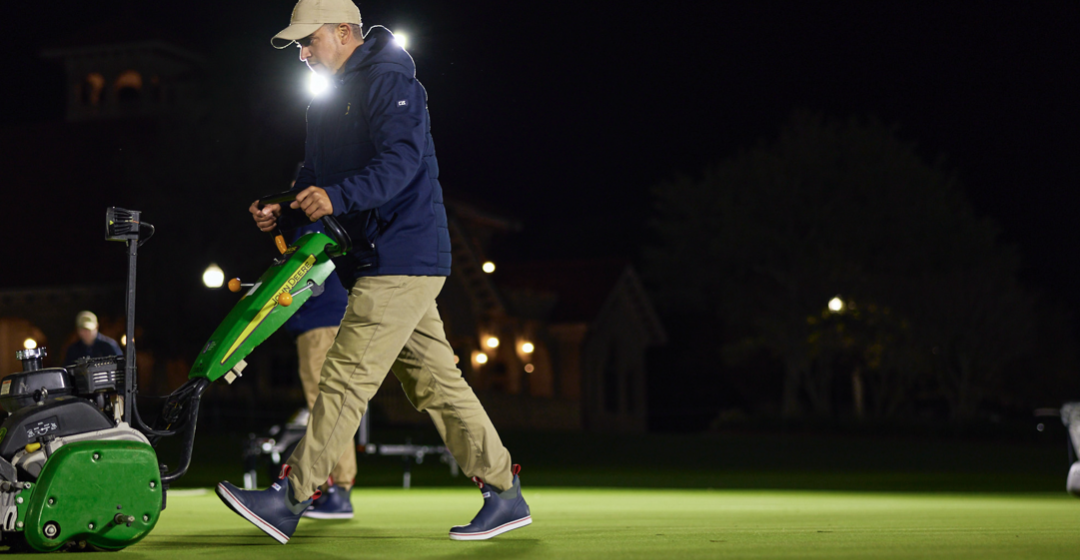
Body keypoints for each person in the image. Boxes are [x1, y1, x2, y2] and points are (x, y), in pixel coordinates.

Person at [215, 0, 530, 544]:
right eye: (297, 45)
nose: (303, 53)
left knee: (344, 374)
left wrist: (335, 196)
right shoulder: (325, 100)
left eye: (308, 40)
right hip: (374, 260)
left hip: (403, 254)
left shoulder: (390, 79)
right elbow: (314, 174)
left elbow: (401, 163)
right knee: (435, 383)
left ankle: (291, 497)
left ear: (344, 31)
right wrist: (284, 205)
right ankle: (505, 494)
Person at [284, 218, 355, 519]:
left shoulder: (315, 219)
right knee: (328, 403)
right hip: (330, 317)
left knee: (325, 404)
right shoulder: (329, 215)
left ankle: (339, 490)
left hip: (320, 321)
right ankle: (335, 490)